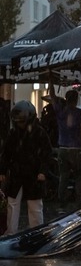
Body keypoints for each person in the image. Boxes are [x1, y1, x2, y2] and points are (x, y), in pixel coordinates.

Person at [0, 101, 52, 235]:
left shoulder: (39, 133)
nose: (20, 125)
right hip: (17, 173)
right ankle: (11, 233)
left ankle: (37, 233)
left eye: (21, 122)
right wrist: (3, 170)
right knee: (13, 204)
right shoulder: (14, 133)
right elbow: (6, 153)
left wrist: (42, 171)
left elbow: (46, 154)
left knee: (34, 205)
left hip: (33, 174)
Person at [51, 89, 81, 211]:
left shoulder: (60, 112)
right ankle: (80, 204)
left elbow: (52, 97)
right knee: (79, 177)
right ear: (76, 100)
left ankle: (62, 204)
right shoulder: (79, 113)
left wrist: (50, 82)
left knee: (63, 177)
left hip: (63, 148)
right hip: (76, 149)